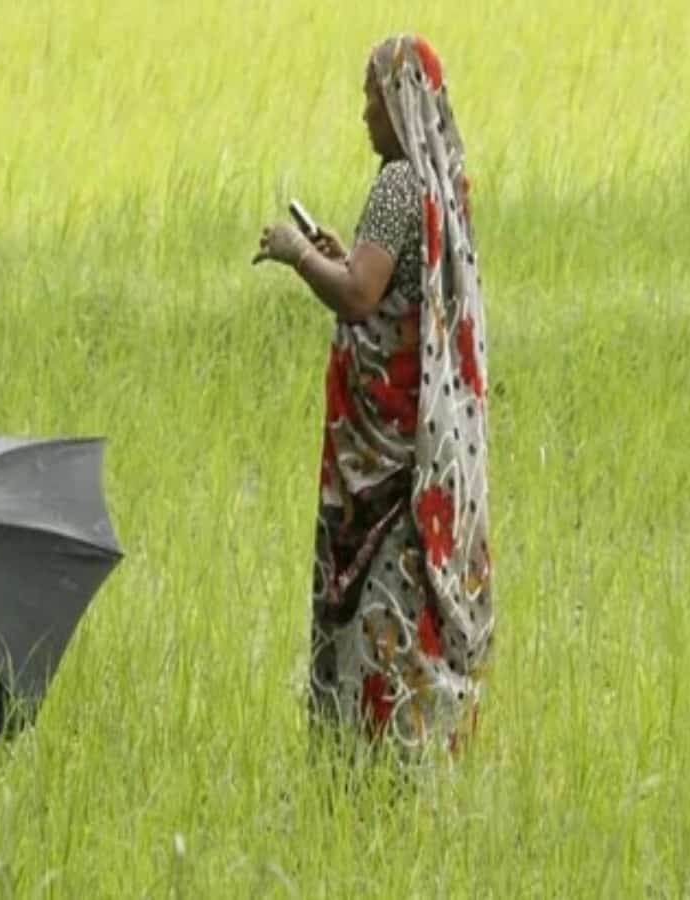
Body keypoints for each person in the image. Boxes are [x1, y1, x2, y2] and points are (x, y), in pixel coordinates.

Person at [253, 35, 493, 762]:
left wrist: (300, 259)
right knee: (414, 592)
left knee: (379, 598)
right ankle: (423, 748)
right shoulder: (442, 182)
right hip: (428, 440)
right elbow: (393, 283)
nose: (363, 113)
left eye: (371, 97)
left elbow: (360, 298)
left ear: (399, 102)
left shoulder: (395, 184)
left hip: (382, 454)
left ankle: (376, 757)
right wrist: (340, 250)